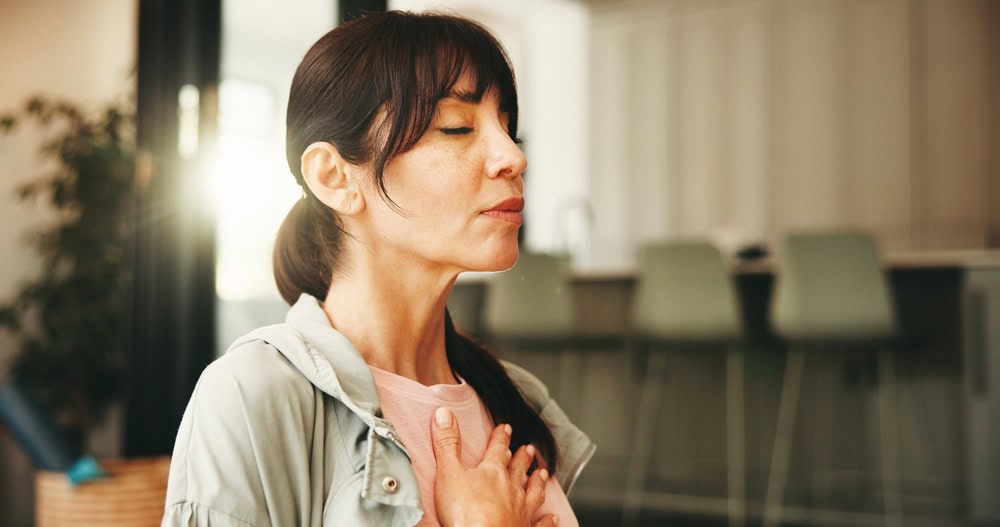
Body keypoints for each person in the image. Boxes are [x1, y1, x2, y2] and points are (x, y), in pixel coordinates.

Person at [162, 10, 595, 527]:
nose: (512, 157)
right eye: (457, 127)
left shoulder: (515, 399)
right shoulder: (252, 394)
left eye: (506, 127)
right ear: (335, 177)